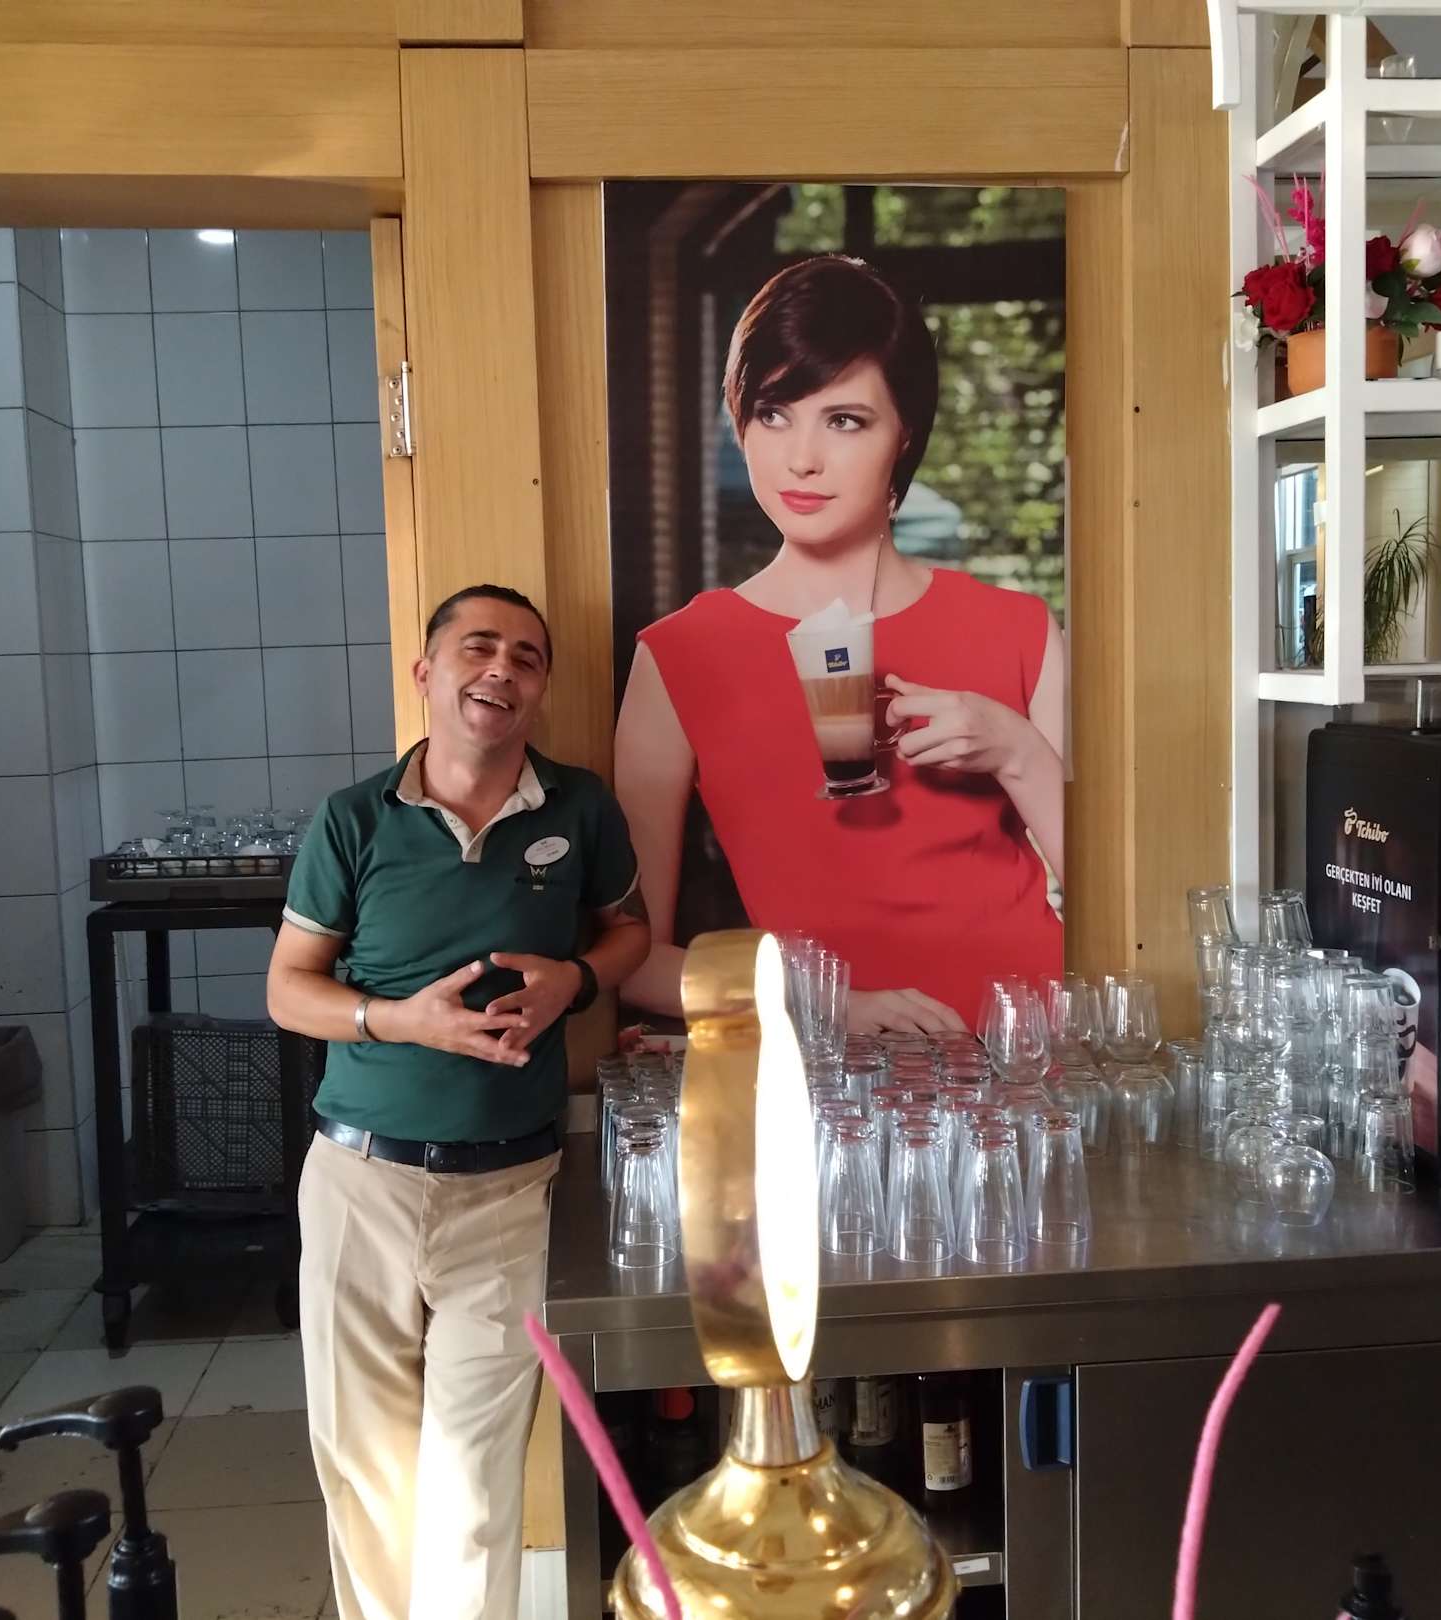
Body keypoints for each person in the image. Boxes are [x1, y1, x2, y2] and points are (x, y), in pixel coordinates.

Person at [268, 584, 649, 1620]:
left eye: (526, 656)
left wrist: (575, 981)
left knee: (474, 1493)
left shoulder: (580, 808)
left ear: (540, 688)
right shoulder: (354, 819)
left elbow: (630, 932)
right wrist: (402, 1020)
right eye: (478, 648)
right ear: (427, 672)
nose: (501, 670)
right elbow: (289, 989)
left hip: (510, 1190)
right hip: (360, 1182)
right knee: (367, 1478)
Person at [614, 254, 1066, 1033]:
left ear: (905, 434)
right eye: (774, 413)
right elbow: (630, 957)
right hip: (833, 1075)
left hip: (1027, 1050)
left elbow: (1125, 909)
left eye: (845, 420)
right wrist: (829, 1009)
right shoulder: (680, 655)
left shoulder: (1017, 628)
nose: (802, 458)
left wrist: (1017, 751)